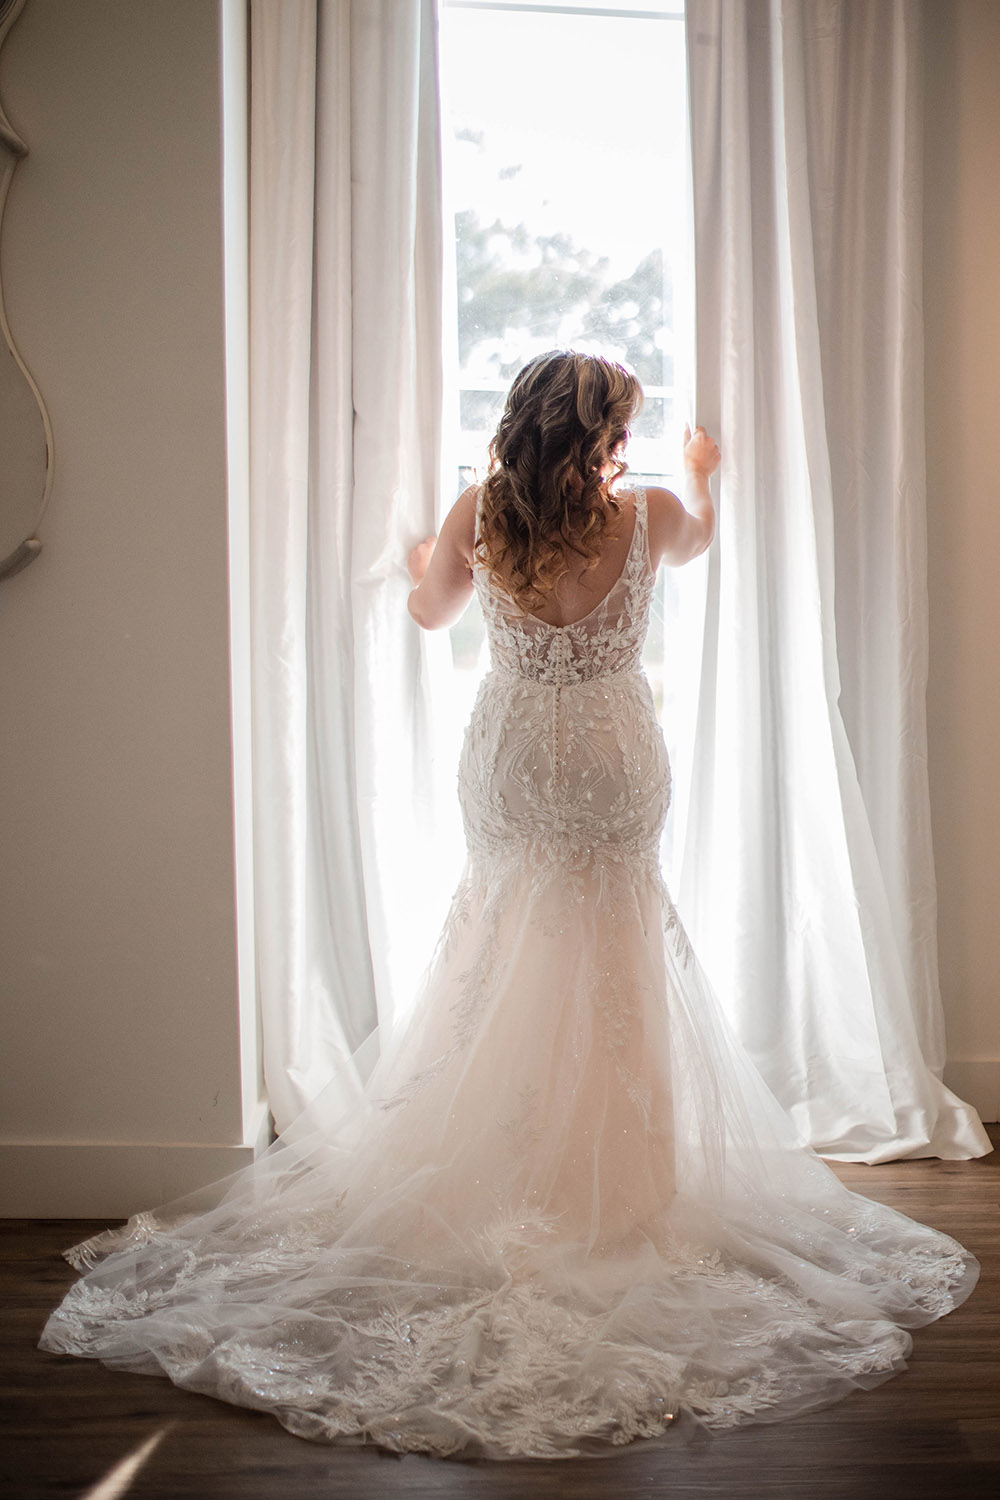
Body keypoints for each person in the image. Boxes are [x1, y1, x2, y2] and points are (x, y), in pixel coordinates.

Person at [40, 351, 976, 1461]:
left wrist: (414, 559)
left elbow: (433, 613)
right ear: (611, 432)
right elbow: (703, 538)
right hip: (616, 753)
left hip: (518, 749)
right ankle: (616, 1191)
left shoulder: (481, 511)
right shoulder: (651, 514)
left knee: (498, 937)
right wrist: (706, 471)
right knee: (617, 950)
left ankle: (505, 1158)